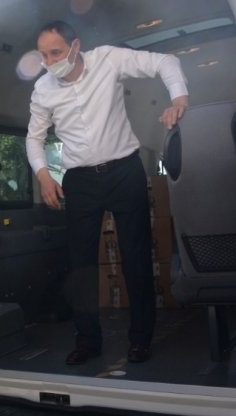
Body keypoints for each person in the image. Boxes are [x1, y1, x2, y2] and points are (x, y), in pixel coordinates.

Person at [25, 20, 189, 365]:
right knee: (80, 265)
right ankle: (88, 342)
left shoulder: (108, 59)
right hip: (79, 182)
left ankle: (141, 339)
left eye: (56, 52)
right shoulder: (42, 90)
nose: (50, 61)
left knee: (137, 258)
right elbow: (34, 138)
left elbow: (165, 62)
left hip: (124, 171)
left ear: (75, 47)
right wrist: (43, 175)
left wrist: (179, 98)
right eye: (43, 55)